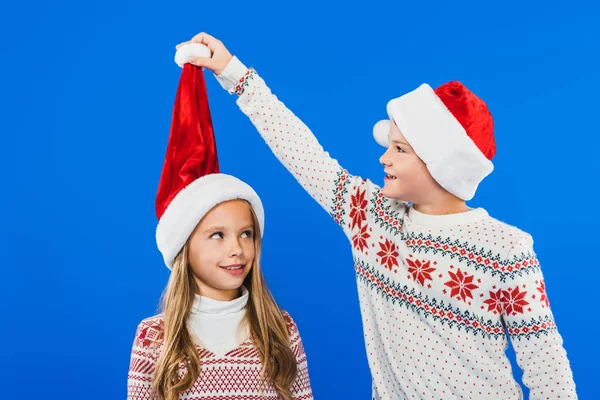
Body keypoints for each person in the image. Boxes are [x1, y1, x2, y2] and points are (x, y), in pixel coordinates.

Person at [176, 32, 578, 399]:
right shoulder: (371, 218)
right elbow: (302, 152)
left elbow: (548, 372)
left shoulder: (506, 249)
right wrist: (233, 73)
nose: (384, 157)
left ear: (441, 166)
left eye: (400, 149)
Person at [126, 56, 313, 400]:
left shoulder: (281, 329)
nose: (236, 249)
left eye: (246, 233)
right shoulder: (154, 337)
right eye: (217, 235)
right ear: (185, 246)